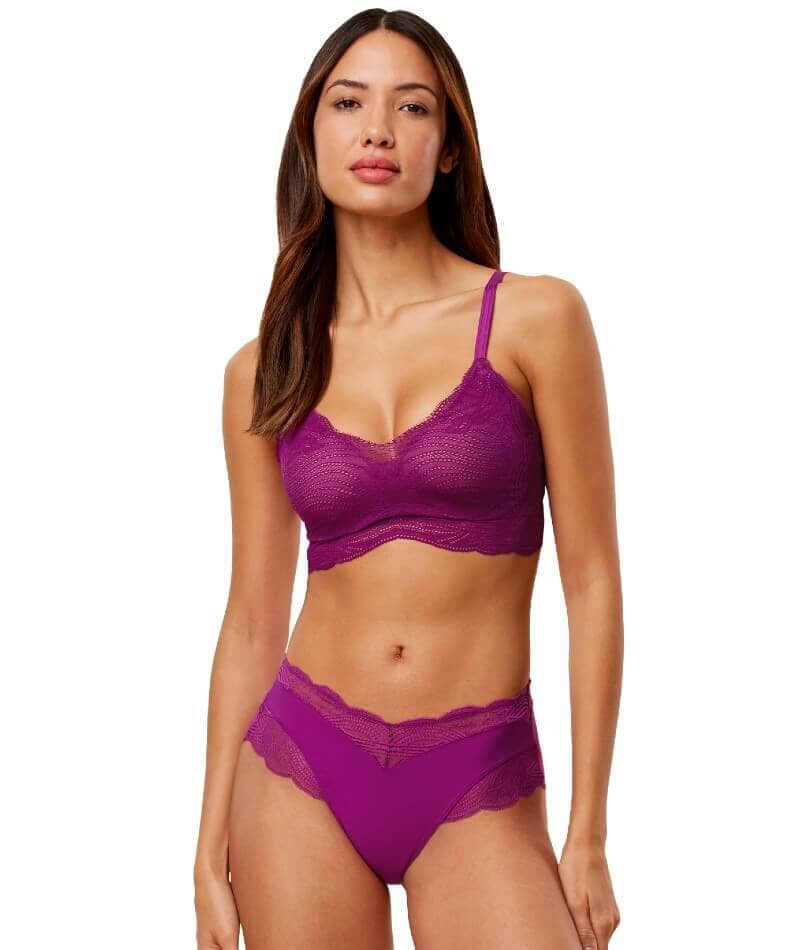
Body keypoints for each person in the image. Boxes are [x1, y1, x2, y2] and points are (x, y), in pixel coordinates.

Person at [194, 9, 623, 950]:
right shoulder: (264, 370)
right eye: (348, 103)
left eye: (413, 107)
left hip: (479, 771)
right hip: (301, 764)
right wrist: (205, 844)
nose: (379, 130)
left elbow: (592, 581)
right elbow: (254, 616)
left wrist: (588, 829)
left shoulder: (536, 319)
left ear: (451, 147)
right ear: (312, 137)